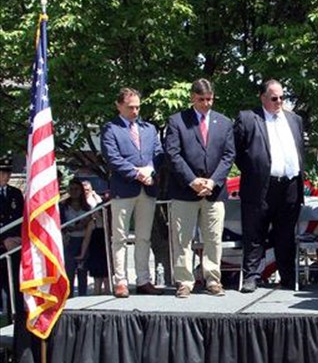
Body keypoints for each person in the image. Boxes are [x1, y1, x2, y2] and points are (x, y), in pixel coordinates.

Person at [164, 79, 235, 298]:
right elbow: (172, 154)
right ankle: (184, 282)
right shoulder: (177, 121)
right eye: (201, 99)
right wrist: (192, 181)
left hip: (214, 191)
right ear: (192, 98)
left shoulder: (224, 123)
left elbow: (228, 155)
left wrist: (212, 181)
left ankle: (213, 280)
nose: (206, 104)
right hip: (185, 191)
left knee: (213, 238)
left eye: (209, 99)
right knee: (182, 238)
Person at [234, 79, 305, 293]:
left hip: (290, 185)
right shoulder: (248, 118)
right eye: (274, 98)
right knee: (254, 233)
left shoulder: (294, 120)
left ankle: (287, 277)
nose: (279, 102)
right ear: (263, 98)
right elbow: (236, 151)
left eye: (282, 98)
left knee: (285, 234)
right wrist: (254, 170)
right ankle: (252, 277)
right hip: (260, 186)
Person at [100, 88, 164, 298]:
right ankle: (120, 281)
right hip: (124, 189)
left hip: (148, 188)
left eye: (138, 107)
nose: (135, 111)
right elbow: (113, 158)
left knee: (144, 237)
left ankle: (143, 280)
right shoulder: (111, 128)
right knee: (119, 237)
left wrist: (151, 171)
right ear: (119, 106)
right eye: (130, 107)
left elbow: (158, 154)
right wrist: (137, 174)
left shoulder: (149, 128)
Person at [59, 179, 91, 297]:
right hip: (69, 240)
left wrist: (83, 224)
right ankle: (69, 296)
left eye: (76, 189)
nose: (74, 192)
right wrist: (71, 228)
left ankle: (82, 296)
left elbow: (89, 223)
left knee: (83, 271)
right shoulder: (63, 206)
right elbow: (61, 224)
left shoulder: (87, 207)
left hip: (84, 241)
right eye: (71, 189)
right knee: (69, 270)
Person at [0, 158, 24, 314]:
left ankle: (15, 316)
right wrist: (3, 241)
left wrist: (16, 239)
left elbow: (20, 218)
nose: (6, 176)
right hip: (2, 244)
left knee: (14, 284)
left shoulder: (15, 193)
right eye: (3, 173)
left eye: (8, 173)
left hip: (14, 245)